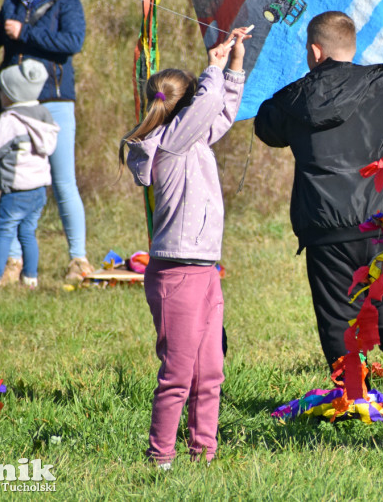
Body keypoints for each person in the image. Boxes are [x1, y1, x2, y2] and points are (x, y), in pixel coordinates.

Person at [254, 11, 383, 405]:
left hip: (328, 227)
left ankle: (353, 388)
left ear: (315, 51)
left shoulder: (294, 99)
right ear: (352, 48)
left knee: (337, 314)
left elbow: (265, 127)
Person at [119, 26, 250, 467]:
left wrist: (232, 67)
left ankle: (204, 452)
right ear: (183, 109)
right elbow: (209, 104)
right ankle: (161, 457)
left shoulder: (189, 139)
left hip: (205, 269)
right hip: (177, 273)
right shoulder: (172, 143)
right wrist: (212, 66)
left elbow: (221, 112)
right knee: (178, 374)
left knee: (210, 370)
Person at [0, 0, 91, 282]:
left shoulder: (67, 2)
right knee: (15, 182)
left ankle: (78, 259)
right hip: (15, 107)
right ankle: (13, 261)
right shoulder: (11, 3)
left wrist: (25, 32)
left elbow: (72, 43)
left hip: (54, 102)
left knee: (62, 179)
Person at [0, 62, 59, 288]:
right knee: (28, 232)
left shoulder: (11, 119)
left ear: (12, 93)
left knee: (4, 232)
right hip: (39, 189)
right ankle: (31, 277)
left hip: (16, 189)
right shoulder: (44, 114)